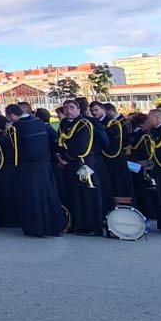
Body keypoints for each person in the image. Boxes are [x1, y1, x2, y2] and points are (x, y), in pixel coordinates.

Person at [5, 104, 66, 237]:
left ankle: (37, 228)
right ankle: (54, 227)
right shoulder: (39, 122)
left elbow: (13, 150)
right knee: (48, 196)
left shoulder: (17, 128)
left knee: (33, 198)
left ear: (11, 115)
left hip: (28, 167)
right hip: (45, 165)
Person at [56, 100, 106, 236]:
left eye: (72, 107)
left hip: (82, 163)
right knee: (73, 193)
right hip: (68, 164)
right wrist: (59, 156)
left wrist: (66, 157)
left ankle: (92, 226)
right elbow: (60, 141)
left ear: (78, 109)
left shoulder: (84, 124)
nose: (68, 111)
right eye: (65, 108)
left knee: (87, 194)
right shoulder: (64, 123)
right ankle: (76, 223)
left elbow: (82, 145)